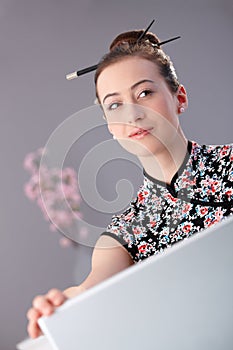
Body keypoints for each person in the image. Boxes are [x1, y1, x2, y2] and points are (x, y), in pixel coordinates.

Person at [26, 28, 233, 338]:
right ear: (109, 126)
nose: (132, 114)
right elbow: (91, 287)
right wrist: (62, 306)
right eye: (114, 105)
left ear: (179, 97)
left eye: (144, 93)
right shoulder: (124, 232)